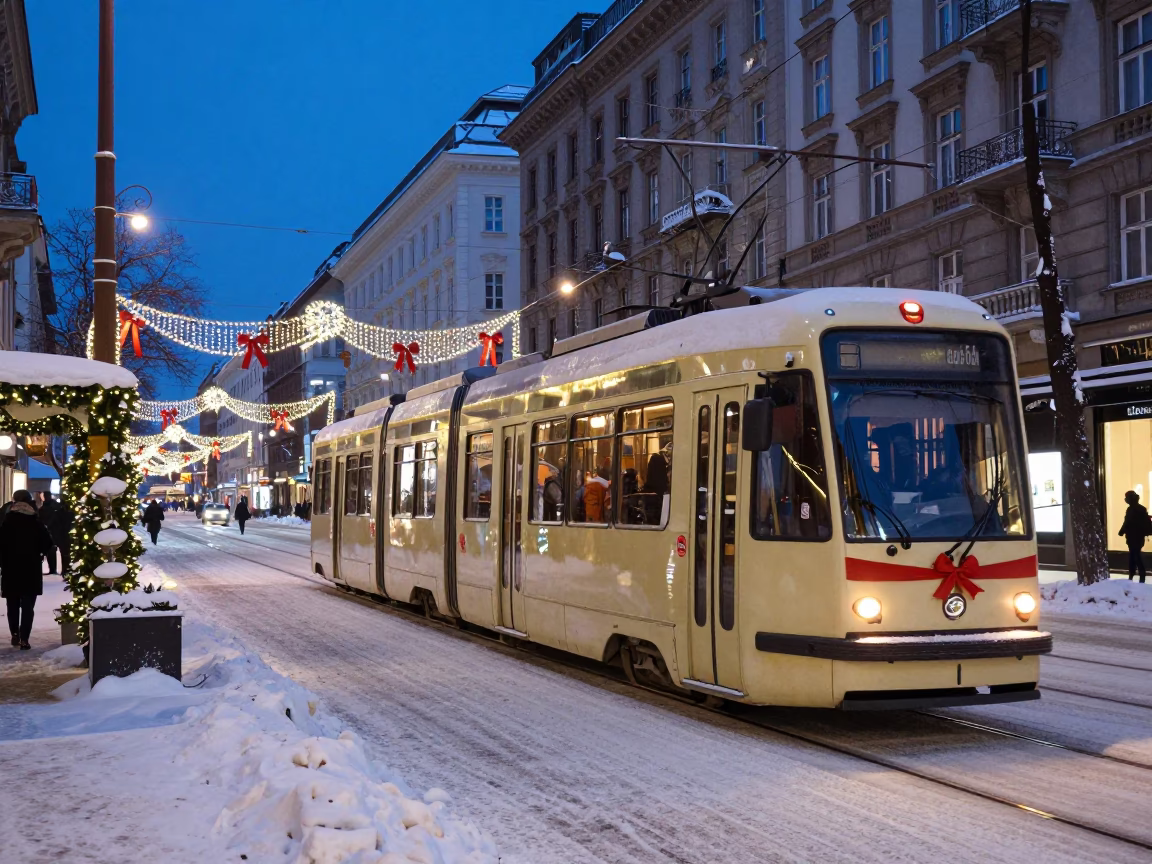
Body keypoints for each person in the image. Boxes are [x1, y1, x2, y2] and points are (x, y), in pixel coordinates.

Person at [0, 490, 55, 649]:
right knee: (28, 606)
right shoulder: (35, 521)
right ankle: (25, 638)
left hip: (10, 568)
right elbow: (47, 543)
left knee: (12, 603)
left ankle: (15, 634)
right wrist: (39, 552)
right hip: (31, 568)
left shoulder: (6, 520)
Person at [1119, 490, 1151, 583]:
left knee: (1135, 556)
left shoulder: (1132, 509)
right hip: (1139, 537)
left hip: (1133, 537)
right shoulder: (1141, 509)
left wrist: (1121, 531)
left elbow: (1127, 522)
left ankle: (1138, 575)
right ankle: (1135, 576)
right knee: (1134, 556)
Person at [37, 491, 62, 575]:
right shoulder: (46, 505)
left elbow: (54, 517)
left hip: (52, 530)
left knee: (51, 549)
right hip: (49, 530)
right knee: (49, 549)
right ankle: (52, 568)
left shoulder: (52, 506)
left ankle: (53, 568)